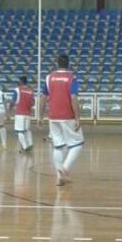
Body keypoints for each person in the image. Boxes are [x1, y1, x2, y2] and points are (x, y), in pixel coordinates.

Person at [40, 54, 83, 186]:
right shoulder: (71, 78)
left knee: (58, 146)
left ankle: (60, 177)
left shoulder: (49, 77)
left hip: (53, 116)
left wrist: (40, 116)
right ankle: (65, 169)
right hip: (67, 115)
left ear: (57, 63)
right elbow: (74, 97)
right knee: (77, 143)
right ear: (68, 64)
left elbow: (42, 97)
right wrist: (77, 117)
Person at [10, 75, 35, 152]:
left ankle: (24, 146)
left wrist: (10, 109)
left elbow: (13, 101)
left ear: (20, 82)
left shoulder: (17, 90)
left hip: (20, 113)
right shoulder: (30, 91)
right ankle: (30, 143)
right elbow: (33, 103)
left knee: (19, 131)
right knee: (27, 130)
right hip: (27, 113)